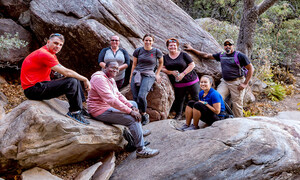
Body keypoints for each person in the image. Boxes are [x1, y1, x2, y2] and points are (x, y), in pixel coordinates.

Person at [87, 61, 159, 158]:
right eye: (112, 68)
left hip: (107, 106)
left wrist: (131, 106)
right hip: (99, 110)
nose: (115, 70)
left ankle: (138, 131)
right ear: (105, 68)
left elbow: (118, 95)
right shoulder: (99, 79)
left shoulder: (110, 79)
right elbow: (111, 100)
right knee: (132, 119)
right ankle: (141, 150)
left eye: (117, 68)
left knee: (134, 104)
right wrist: (130, 111)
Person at [20, 33, 91, 125]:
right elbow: (66, 72)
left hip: (40, 85)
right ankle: (74, 112)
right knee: (72, 81)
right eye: (56, 43)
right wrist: (85, 79)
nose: (58, 46)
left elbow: (63, 72)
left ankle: (80, 109)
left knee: (73, 79)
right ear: (48, 42)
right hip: (32, 90)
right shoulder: (44, 54)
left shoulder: (50, 53)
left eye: (60, 45)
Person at [184, 39, 254, 117]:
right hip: (225, 82)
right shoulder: (222, 55)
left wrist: (245, 83)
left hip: (236, 82)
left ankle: (238, 123)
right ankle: (219, 117)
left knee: (237, 104)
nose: (228, 46)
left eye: (230, 45)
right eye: (226, 45)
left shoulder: (239, 56)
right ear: (224, 46)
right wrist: (192, 49)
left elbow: (250, 68)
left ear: (233, 46)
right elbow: (206, 55)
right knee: (216, 98)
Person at [129, 34, 163, 125]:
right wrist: (131, 77)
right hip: (137, 73)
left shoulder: (156, 51)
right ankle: (136, 116)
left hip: (149, 74)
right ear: (143, 40)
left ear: (153, 42)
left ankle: (144, 114)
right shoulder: (138, 50)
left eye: (150, 40)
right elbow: (134, 65)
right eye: (146, 40)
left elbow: (161, 63)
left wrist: (157, 74)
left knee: (141, 96)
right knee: (135, 97)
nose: (148, 42)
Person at [162, 38, 200, 120]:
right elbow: (162, 68)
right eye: (170, 45)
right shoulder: (164, 57)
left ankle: (198, 114)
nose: (173, 47)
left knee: (196, 98)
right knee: (179, 99)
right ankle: (178, 115)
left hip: (191, 80)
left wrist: (183, 73)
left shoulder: (183, 55)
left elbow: (192, 65)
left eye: (174, 45)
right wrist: (171, 72)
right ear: (167, 47)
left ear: (177, 46)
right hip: (178, 82)